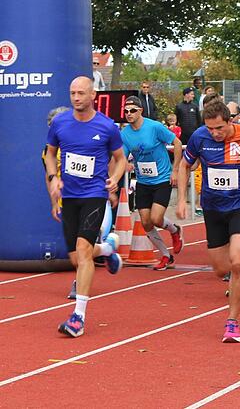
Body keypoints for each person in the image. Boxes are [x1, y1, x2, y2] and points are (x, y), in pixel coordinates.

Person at [176, 100, 240, 343]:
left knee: (235, 262)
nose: (215, 133)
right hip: (212, 207)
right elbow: (184, 165)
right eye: (210, 128)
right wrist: (181, 200)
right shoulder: (200, 138)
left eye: (219, 128)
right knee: (221, 270)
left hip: (239, 205)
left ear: (229, 121)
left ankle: (232, 321)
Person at [44, 76, 127, 337]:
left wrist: (114, 178)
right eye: (72, 93)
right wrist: (53, 178)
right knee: (76, 257)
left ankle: (78, 316)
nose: (76, 97)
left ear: (93, 95)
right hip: (69, 195)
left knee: (82, 251)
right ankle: (107, 249)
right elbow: (49, 154)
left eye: (81, 93)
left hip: (94, 194)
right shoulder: (60, 122)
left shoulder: (106, 126)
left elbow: (121, 158)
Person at [120, 96, 184, 271]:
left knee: (156, 218)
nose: (128, 114)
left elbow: (177, 143)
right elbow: (121, 158)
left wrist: (175, 169)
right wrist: (125, 165)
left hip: (162, 178)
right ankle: (165, 255)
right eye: (126, 111)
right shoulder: (124, 134)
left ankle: (174, 230)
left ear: (140, 110)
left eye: (132, 110)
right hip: (143, 181)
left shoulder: (154, 127)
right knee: (146, 222)